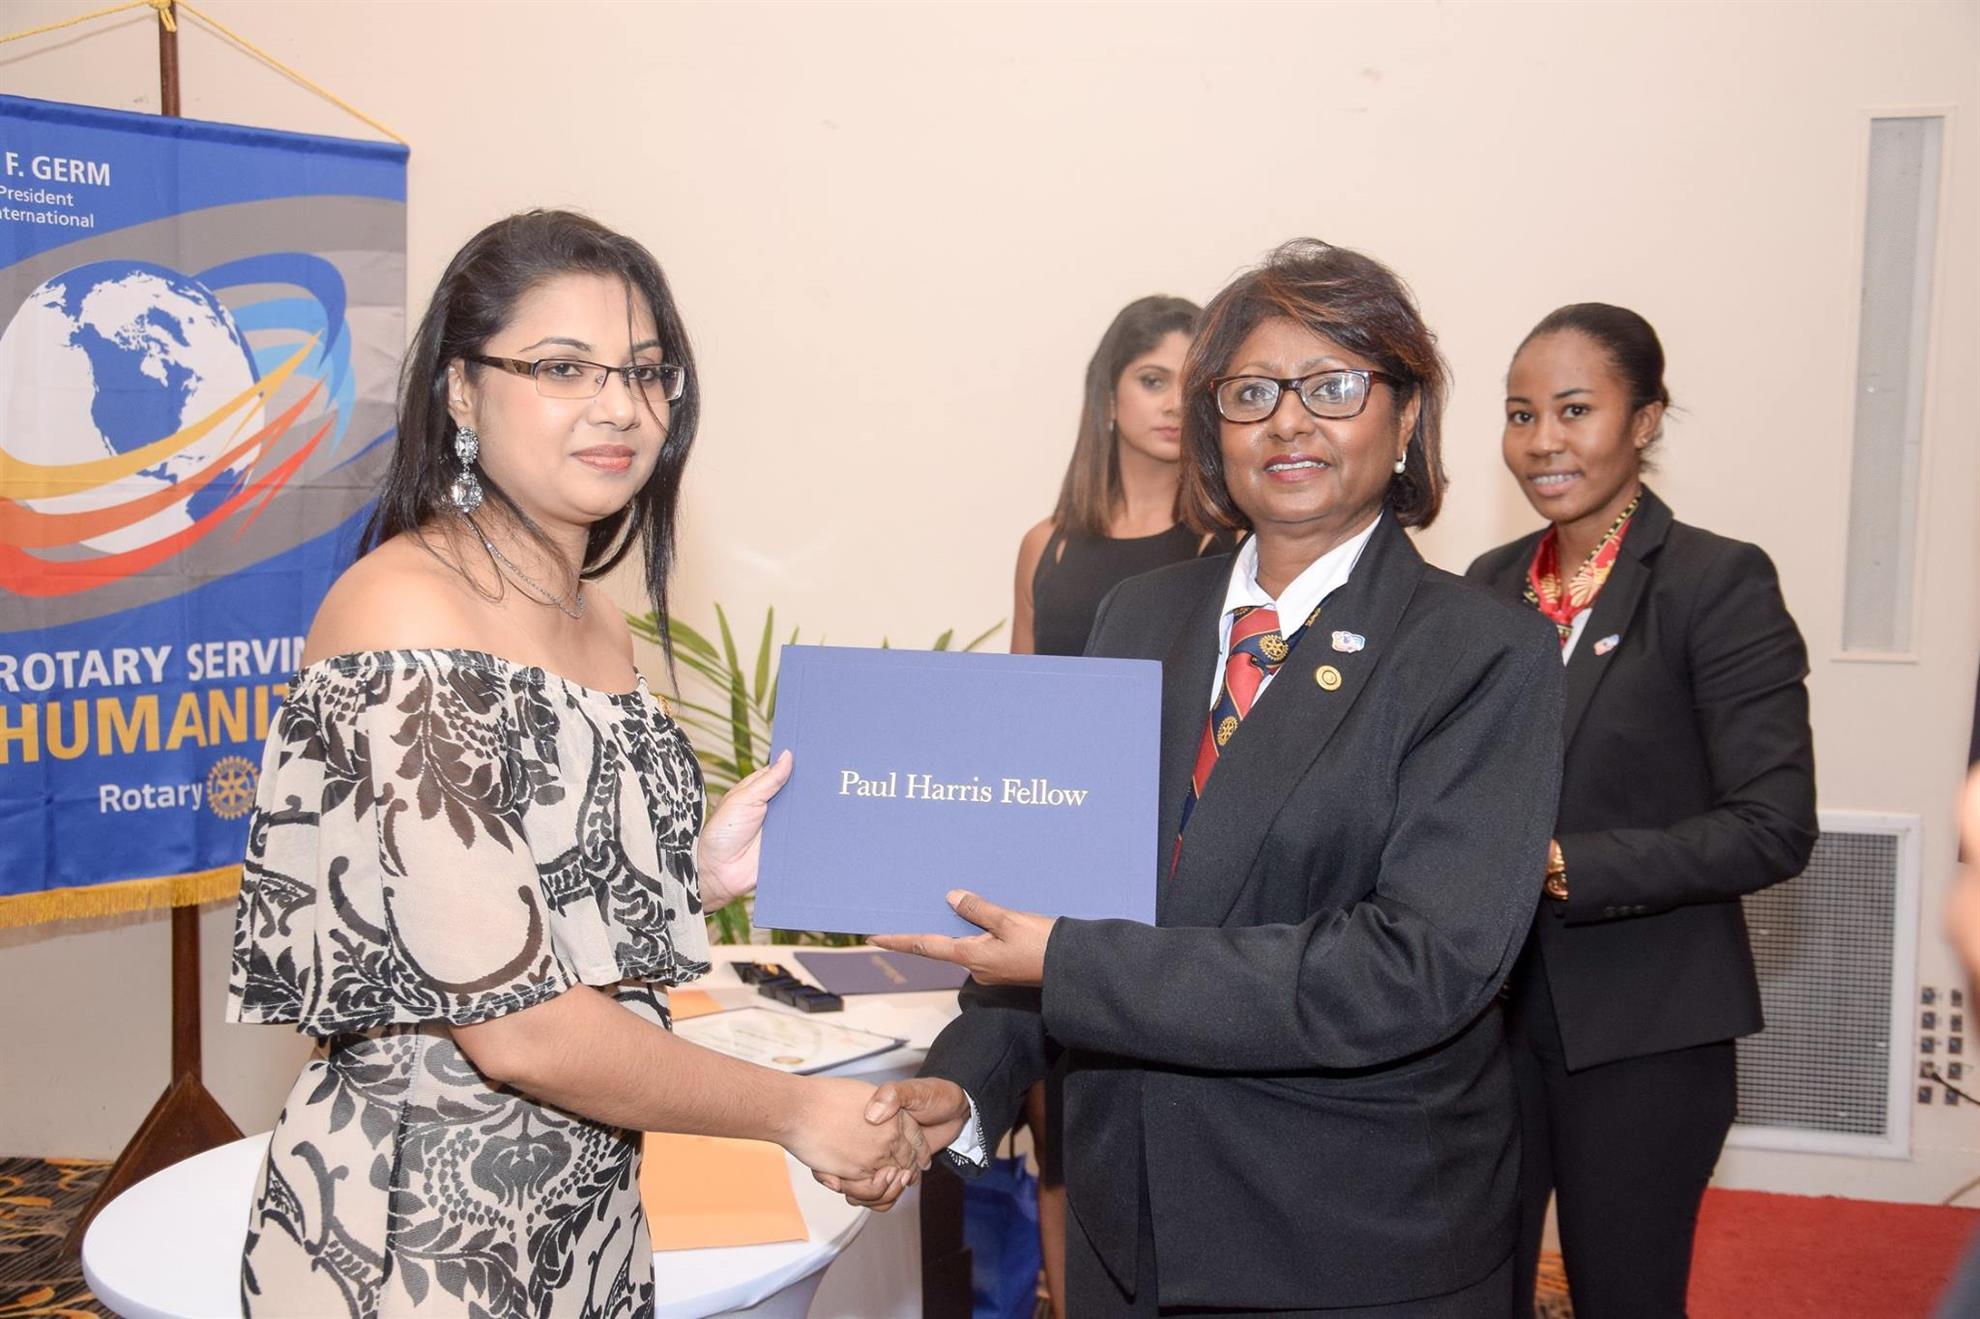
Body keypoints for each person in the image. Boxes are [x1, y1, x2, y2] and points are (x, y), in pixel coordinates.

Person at [833, 239, 1565, 1316]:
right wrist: (968, 1079)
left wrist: (1072, 957)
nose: (1289, 422)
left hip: (1347, 1239)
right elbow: (1057, 896)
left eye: (1333, 386)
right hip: (1124, 1221)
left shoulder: (1483, 653)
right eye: (1250, 391)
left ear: (1407, 414)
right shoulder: (1141, 616)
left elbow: (1411, 968)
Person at [226, 210, 928, 1319]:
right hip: (420, 1235)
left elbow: (523, 901)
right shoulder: (407, 614)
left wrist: (694, 871)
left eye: (646, 372)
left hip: (587, 1215)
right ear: (462, 391)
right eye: (563, 368)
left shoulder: (596, 617)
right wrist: (799, 1112)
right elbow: (521, 1025)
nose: (619, 407)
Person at [1463, 304, 1818, 1318]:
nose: (1543, 440)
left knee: (1625, 1295)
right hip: (1484, 1022)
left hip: (1647, 1025)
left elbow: (1773, 824)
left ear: (1646, 419)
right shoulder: (1488, 585)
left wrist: (1561, 863)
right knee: (1463, 1290)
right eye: (1521, 414)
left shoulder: (1715, 580)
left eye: (1575, 409)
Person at [1009, 292, 1220, 1314]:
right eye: (1151, 378)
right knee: (1057, 1126)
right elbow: (1016, 710)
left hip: (1174, 870)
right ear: (1108, 395)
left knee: (1158, 1124)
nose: (1173, 401)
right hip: (1054, 863)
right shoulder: (1046, 543)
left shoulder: (1225, 542)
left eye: (1191, 381)